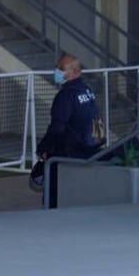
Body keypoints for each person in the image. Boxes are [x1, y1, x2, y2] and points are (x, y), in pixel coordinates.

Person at [30, 54, 101, 190]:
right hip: (89, 149)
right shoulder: (87, 90)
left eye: (61, 68)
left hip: (70, 153)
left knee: (54, 192)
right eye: (56, 67)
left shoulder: (66, 96)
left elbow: (57, 127)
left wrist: (43, 148)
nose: (57, 71)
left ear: (74, 72)